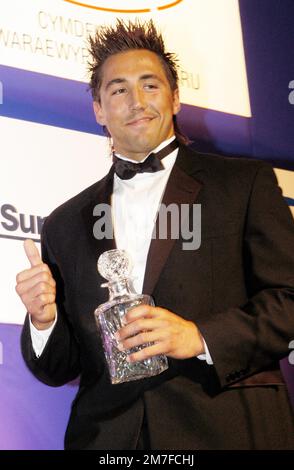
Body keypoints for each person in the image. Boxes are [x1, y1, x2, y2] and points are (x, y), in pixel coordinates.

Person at [16, 19, 294, 450]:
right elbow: (59, 367)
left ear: (175, 97)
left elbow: (289, 300)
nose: (136, 101)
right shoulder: (64, 223)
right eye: (118, 89)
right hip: (107, 439)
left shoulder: (244, 184)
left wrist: (198, 336)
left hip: (225, 428)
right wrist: (43, 320)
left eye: (150, 85)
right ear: (98, 109)